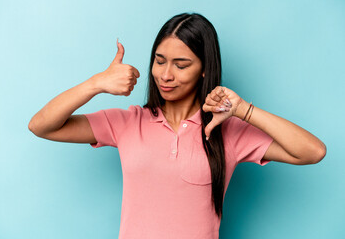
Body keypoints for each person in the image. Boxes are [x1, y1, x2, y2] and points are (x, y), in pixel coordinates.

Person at [28, 12, 326, 239]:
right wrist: (96, 84)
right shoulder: (128, 122)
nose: (165, 75)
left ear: (204, 69)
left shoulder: (228, 131)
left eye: (181, 65)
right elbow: (42, 126)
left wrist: (243, 110)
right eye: (159, 61)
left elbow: (312, 151)